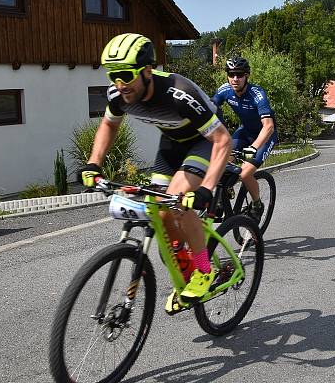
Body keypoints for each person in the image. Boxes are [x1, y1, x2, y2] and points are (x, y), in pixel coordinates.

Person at [80, 33, 232, 310]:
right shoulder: (119, 95)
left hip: (203, 142)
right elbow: (109, 125)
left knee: (178, 200)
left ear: (148, 70)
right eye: (112, 75)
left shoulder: (179, 93)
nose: (119, 83)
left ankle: (203, 268)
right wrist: (93, 164)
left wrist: (205, 190)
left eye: (125, 74)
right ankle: (185, 272)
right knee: (160, 211)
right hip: (171, 145)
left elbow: (222, 140)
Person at [211, 56, 277, 220]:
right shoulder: (225, 90)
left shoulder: (257, 94)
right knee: (222, 161)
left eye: (239, 75)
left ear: (247, 75)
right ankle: (223, 194)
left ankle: (257, 205)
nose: (235, 79)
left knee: (246, 172)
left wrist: (252, 148)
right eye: (231, 74)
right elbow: (209, 109)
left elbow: (268, 126)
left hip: (264, 136)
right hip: (245, 132)